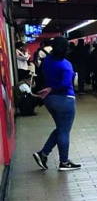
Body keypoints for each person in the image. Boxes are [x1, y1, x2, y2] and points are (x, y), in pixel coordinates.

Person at [32, 37, 81, 171]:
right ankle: (64, 162)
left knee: (60, 128)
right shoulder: (66, 64)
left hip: (49, 100)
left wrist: (48, 89)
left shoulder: (46, 61)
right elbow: (66, 84)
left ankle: (43, 154)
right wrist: (52, 88)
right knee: (64, 130)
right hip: (65, 100)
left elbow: (41, 76)